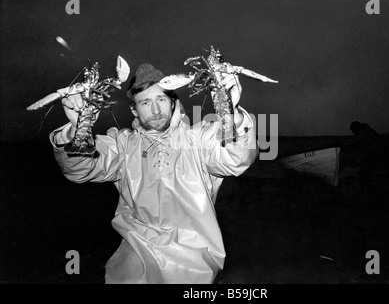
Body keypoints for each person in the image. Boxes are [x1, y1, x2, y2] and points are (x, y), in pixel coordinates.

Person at [49, 63, 258, 284]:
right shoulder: (122, 144)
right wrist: (74, 128)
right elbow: (79, 170)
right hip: (136, 252)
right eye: (146, 102)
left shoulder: (199, 139)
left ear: (173, 103)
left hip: (197, 255)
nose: (156, 110)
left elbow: (236, 160)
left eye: (161, 100)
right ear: (134, 109)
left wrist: (231, 113)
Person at [346, 121, 389, 192]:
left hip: (378, 155)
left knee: (366, 174)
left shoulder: (364, 133)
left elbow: (357, 142)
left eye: (353, 130)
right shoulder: (365, 131)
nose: (352, 132)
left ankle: (371, 191)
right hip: (377, 154)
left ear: (356, 128)